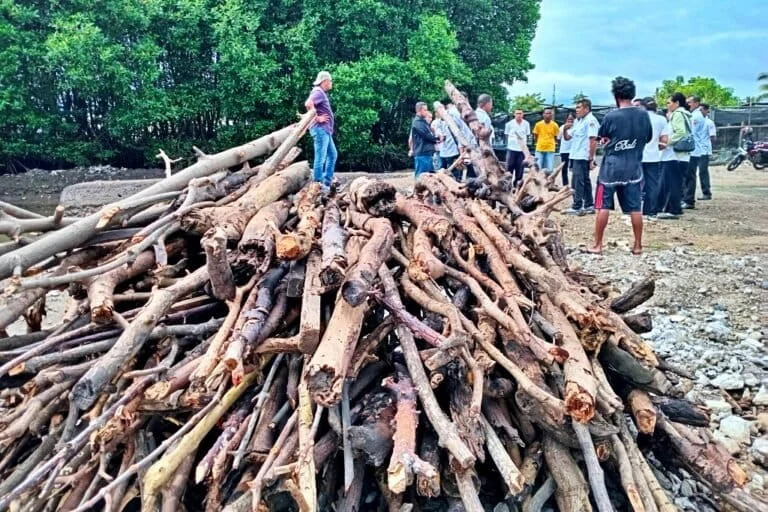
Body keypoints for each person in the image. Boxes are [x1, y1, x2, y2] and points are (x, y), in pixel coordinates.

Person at [586, 77, 651, 255]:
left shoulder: (611, 116)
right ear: (632, 94)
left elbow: (602, 137)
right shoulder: (643, 115)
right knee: (635, 208)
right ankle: (637, 245)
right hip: (634, 168)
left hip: (611, 168)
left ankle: (597, 245)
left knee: (603, 206)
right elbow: (648, 138)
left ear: (616, 95)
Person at [562, 98, 600, 215]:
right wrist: (564, 129)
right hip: (575, 154)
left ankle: (577, 206)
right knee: (585, 180)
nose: (576, 110)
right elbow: (567, 137)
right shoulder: (578, 121)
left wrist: (591, 158)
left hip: (582, 156)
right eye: (576, 108)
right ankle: (589, 205)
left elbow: (593, 140)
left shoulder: (591, 121)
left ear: (586, 108)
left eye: (579, 107)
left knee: (577, 181)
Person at [658, 93, 692, 219]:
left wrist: (667, 142)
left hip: (675, 155)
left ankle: (673, 210)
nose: (667, 105)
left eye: (669, 102)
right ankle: (672, 208)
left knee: (673, 183)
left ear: (677, 103)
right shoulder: (686, 114)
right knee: (676, 182)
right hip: (682, 155)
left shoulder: (678, 114)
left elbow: (681, 132)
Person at [305, 71, 337, 187]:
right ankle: (318, 184)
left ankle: (327, 183)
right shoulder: (318, 92)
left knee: (332, 154)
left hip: (325, 130)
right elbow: (308, 104)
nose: (331, 83)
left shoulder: (320, 92)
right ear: (324, 81)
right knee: (321, 157)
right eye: (330, 80)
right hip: (320, 130)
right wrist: (317, 118)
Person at [640, 98, 668, 218]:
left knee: (634, 184)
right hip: (653, 157)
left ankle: (633, 210)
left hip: (637, 157)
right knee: (652, 185)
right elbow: (664, 140)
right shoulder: (661, 119)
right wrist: (656, 147)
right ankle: (650, 211)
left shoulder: (639, 118)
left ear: (643, 106)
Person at [683, 95, 709, 208]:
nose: (688, 104)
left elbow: (690, 133)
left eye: (690, 102)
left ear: (697, 103)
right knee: (687, 175)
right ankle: (686, 198)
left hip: (693, 150)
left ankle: (689, 200)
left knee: (689, 175)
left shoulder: (696, 116)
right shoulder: (693, 115)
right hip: (692, 149)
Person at [411, 102, 440, 178]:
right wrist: (437, 139)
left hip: (426, 153)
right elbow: (426, 136)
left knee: (428, 176)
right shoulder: (417, 122)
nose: (426, 112)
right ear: (419, 110)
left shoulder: (422, 122)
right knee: (421, 176)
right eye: (425, 110)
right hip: (422, 153)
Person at [504, 109, 530, 186]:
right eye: (517, 113)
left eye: (520, 113)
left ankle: (517, 185)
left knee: (520, 168)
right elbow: (506, 135)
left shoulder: (526, 124)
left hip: (521, 150)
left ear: (523, 114)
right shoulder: (509, 124)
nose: (519, 115)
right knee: (509, 167)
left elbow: (527, 135)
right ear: (514, 114)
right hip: (511, 149)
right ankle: (508, 185)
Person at [532, 108, 559, 173]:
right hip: (539, 149)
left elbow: (556, 136)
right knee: (538, 168)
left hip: (550, 149)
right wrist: (537, 142)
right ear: (543, 115)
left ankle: (548, 180)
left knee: (550, 169)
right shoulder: (538, 124)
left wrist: (554, 143)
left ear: (552, 115)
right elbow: (535, 135)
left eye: (549, 113)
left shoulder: (555, 125)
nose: (548, 115)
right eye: (546, 113)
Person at [698, 103, 715, 200]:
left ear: (706, 110)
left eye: (701, 110)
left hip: (704, 151)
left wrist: (709, 147)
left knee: (702, 171)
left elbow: (713, 136)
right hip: (695, 150)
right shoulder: (696, 121)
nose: (700, 112)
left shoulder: (709, 122)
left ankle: (706, 192)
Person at [558, 114, 574, 186]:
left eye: (571, 119)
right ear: (566, 119)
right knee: (564, 168)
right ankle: (565, 185)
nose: (570, 121)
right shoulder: (562, 127)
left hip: (573, 151)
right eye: (569, 119)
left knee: (574, 169)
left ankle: (574, 185)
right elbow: (558, 138)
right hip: (564, 151)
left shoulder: (576, 127)